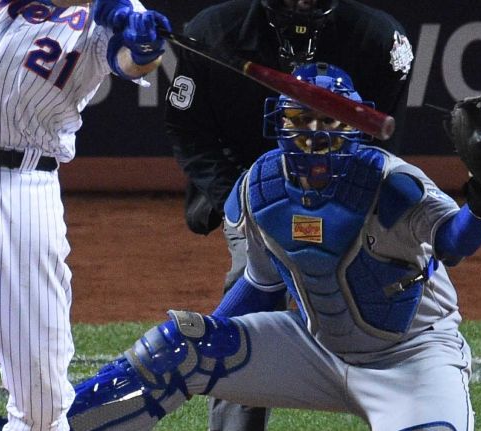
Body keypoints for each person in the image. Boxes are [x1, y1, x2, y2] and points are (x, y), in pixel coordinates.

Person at [62, 62, 481, 430]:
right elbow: (260, 286)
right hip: (317, 351)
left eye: (329, 121)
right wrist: (208, 348)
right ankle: (46, 426)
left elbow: (454, 243)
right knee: (179, 347)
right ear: (280, 123)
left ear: (354, 124)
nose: (315, 134)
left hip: (411, 358)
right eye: (302, 119)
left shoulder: (393, 185)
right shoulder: (261, 189)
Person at [0, 0, 171, 429]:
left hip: (27, 186)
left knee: (43, 395)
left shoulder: (121, 8)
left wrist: (144, 47)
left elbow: (128, 63)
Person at [164, 0, 413, 428]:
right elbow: (190, 132)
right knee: (248, 316)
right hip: (246, 183)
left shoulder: (380, 41)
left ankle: (413, 408)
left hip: (345, 187)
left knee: (382, 304)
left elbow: (374, 142)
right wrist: (238, 197)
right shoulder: (212, 32)